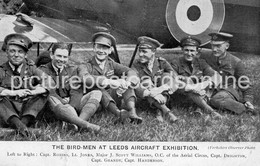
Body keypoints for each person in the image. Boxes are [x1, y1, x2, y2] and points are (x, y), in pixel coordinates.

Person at [78, 32, 142, 124]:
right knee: (98, 88)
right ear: (94, 48)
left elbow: (130, 71)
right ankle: (118, 113)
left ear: (110, 50)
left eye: (105, 48)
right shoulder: (85, 64)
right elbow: (84, 78)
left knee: (127, 84)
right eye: (99, 47)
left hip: (112, 99)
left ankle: (132, 113)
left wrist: (127, 82)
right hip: (96, 102)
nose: (101, 50)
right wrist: (109, 81)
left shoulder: (111, 64)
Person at [38, 43, 102, 132]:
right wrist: (64, 103)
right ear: (52, 55)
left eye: (65, 57)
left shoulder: (71, 69)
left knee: (97, 93)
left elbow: (76, 90)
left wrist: (72, 106)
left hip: (70, 104)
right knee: (50, 97)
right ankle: (84, 125)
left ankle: (77, 123)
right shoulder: (43, 70)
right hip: (54, 107)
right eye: (59, 56)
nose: (62, 60)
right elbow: (51, 93)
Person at [0, 33, 49, 136]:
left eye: (20, 52)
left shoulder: (31, 68)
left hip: (26, 109)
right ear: (7, 53)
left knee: (43, 94)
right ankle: (22, 128)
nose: (16, 55)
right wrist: (13, 92)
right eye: (12, 51)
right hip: (8, 111)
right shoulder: (1, 69)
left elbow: (49, 81)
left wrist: (33, 91)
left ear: (26, 55)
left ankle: (18, 127)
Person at [200, 32, 256, 115]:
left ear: (227, 46)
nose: (214, 49)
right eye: (212, 45)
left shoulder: (236, 62)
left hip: (227, 91)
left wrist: (248, 100)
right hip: (209, 88)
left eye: (218, 46)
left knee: (216, 100)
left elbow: (245, 84)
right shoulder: (205, 56)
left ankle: (245, 110)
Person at [171, 36, 222, 118]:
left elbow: (217, 76)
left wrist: (205, 83)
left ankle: (198, 109)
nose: (189, 53)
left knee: (209, 83)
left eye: (192, 51)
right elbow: (174, 81)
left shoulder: (201, 62)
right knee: (188, 85)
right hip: (183, 96)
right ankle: (211, 111)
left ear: (197, 51)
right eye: (186, 50)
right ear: (182, 50)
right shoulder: (175, 63)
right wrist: (192, 87)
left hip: (200, 93)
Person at [132, 36, 179, 122]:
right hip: (146, 99)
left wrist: (161, 89)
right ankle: (166, 112)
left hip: (164, 96)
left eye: (144, 51)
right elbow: (135, 83)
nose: (140, 54)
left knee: (167, 76)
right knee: (146, 82)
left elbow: (175, 77)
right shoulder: (136, 65)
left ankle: (159, 111)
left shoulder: (162, 62)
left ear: (153, 51)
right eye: (140, 51)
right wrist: (152, 93)